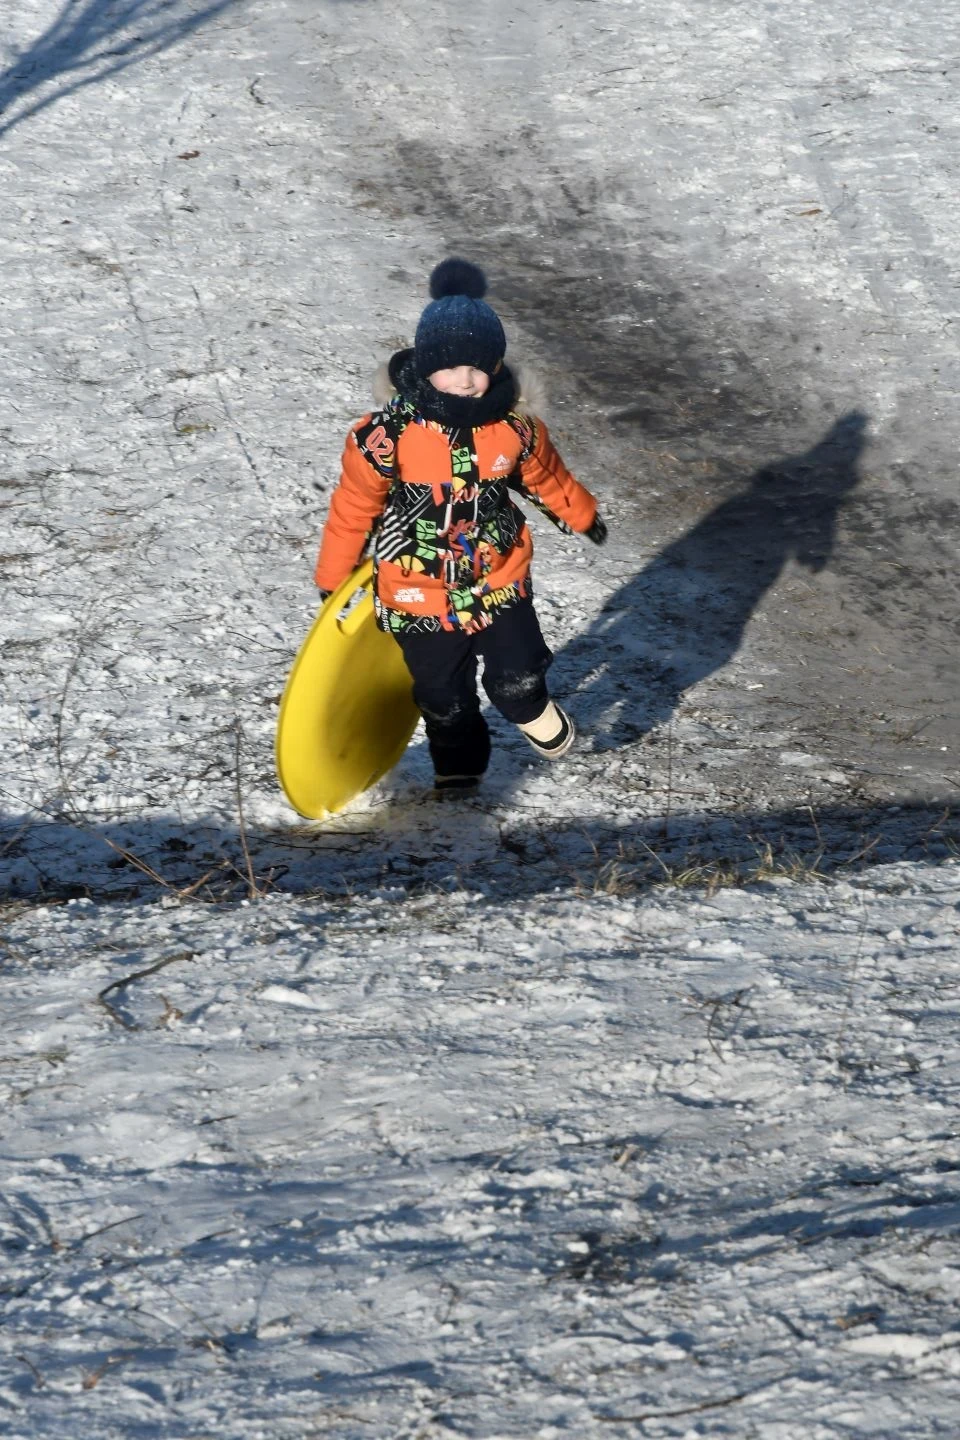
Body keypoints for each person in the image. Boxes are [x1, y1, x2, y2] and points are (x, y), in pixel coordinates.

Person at [313, 257, 607, 792]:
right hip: (415, 586)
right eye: (450, 367)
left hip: (497, 575)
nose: (466, 380)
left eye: (478, 367)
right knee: (441, 695)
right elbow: (354, 505)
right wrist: (334, 575)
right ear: (424, 366)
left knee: (515, 674)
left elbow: (546, 477)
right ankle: (460, 765)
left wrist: (581, 514)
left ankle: (528, 704)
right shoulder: (385, 438)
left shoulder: (514, 429)